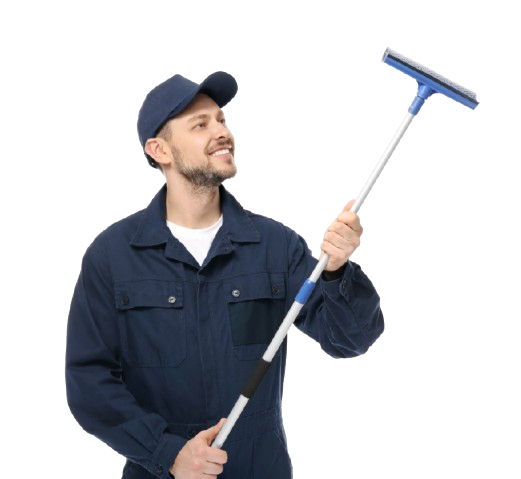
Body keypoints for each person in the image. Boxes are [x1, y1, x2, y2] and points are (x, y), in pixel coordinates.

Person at [65, 71, 385, 479]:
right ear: (159, 149)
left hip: (260, 468)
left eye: (222, 120)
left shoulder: (275, 246)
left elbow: (351, 340)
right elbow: (88, 382)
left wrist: (337, 270)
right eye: (200, 124)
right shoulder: (112, 256)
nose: (222, 132)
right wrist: (169, 453)